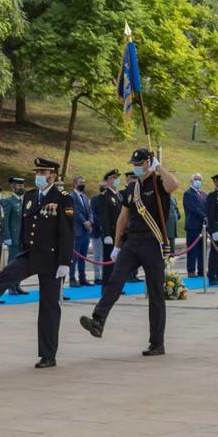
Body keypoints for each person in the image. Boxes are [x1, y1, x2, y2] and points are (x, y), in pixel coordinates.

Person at [0, 158, 74, 368]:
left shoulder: (62, 198)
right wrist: (22, 246)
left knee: (49, 307)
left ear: (53, 175)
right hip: (31, 253)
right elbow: (25, 224)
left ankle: (48, 354)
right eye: (38, 171)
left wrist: (64, 262)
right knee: (6, 274)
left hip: (52, 258)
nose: (39, 175)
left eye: (43, 172)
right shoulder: (31, 196)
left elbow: (67, 231)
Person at [79, 149, 180, 356]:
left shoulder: (159, 183)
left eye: (140, 163)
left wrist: (159, 167)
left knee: (155, 294)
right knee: (115, 280)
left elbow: (174, 185)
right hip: (132, 241)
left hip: (153, 243)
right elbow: (123, 218)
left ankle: (157, 342)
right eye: (134, 163)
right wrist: (117, 245)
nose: (135, 166)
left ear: (148, 163)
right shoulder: (132, 188)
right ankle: (98, 320)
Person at [92, 170, 122, 285]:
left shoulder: (117, 196)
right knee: (109, 263)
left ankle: (115, 285)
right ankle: (107, 287)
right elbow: (104, 217)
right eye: (114, 178)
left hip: (119, 234)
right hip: (111, 235)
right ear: (109, 181)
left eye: (117, 178)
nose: (117, 180)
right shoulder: (104, 196)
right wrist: (107, 234)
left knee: (117, 263)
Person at [2, 176, 26, 294]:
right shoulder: (9, 201)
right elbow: (5, 220)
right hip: (14, 238)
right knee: (12, 263)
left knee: (21, 264)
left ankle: (17, 285)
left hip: (23, 238)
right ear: (12, 186)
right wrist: (7, 236)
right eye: (18, 185)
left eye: (22, 185)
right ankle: (10, 286)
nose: (21, 187)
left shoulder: (24, 201)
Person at [70, 175, 94, 287]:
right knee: (74, 258)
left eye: (84, 182)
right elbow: (74, 211)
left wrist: (90, 221)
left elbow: (90, 211)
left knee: (83, 257)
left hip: (86, 231)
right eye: (80, 182)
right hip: (77, 230)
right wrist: (84, 222)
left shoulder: (85, 197)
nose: (82, 184)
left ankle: (82, 278)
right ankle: (72, 279)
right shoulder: (71, 196)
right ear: (75, 183)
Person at [182, 172, 207, 278]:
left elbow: (207, 206)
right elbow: (192, 208)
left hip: (203, 227)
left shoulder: (204, 194)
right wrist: (204, 216)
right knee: (192, 249)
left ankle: (202, 270)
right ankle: (191, 271)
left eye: (200, 179)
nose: (198, 181)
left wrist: (208, 217)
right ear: (191, 181)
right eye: (196, 179)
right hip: (193, 226)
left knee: (202, 249)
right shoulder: (188, 193)